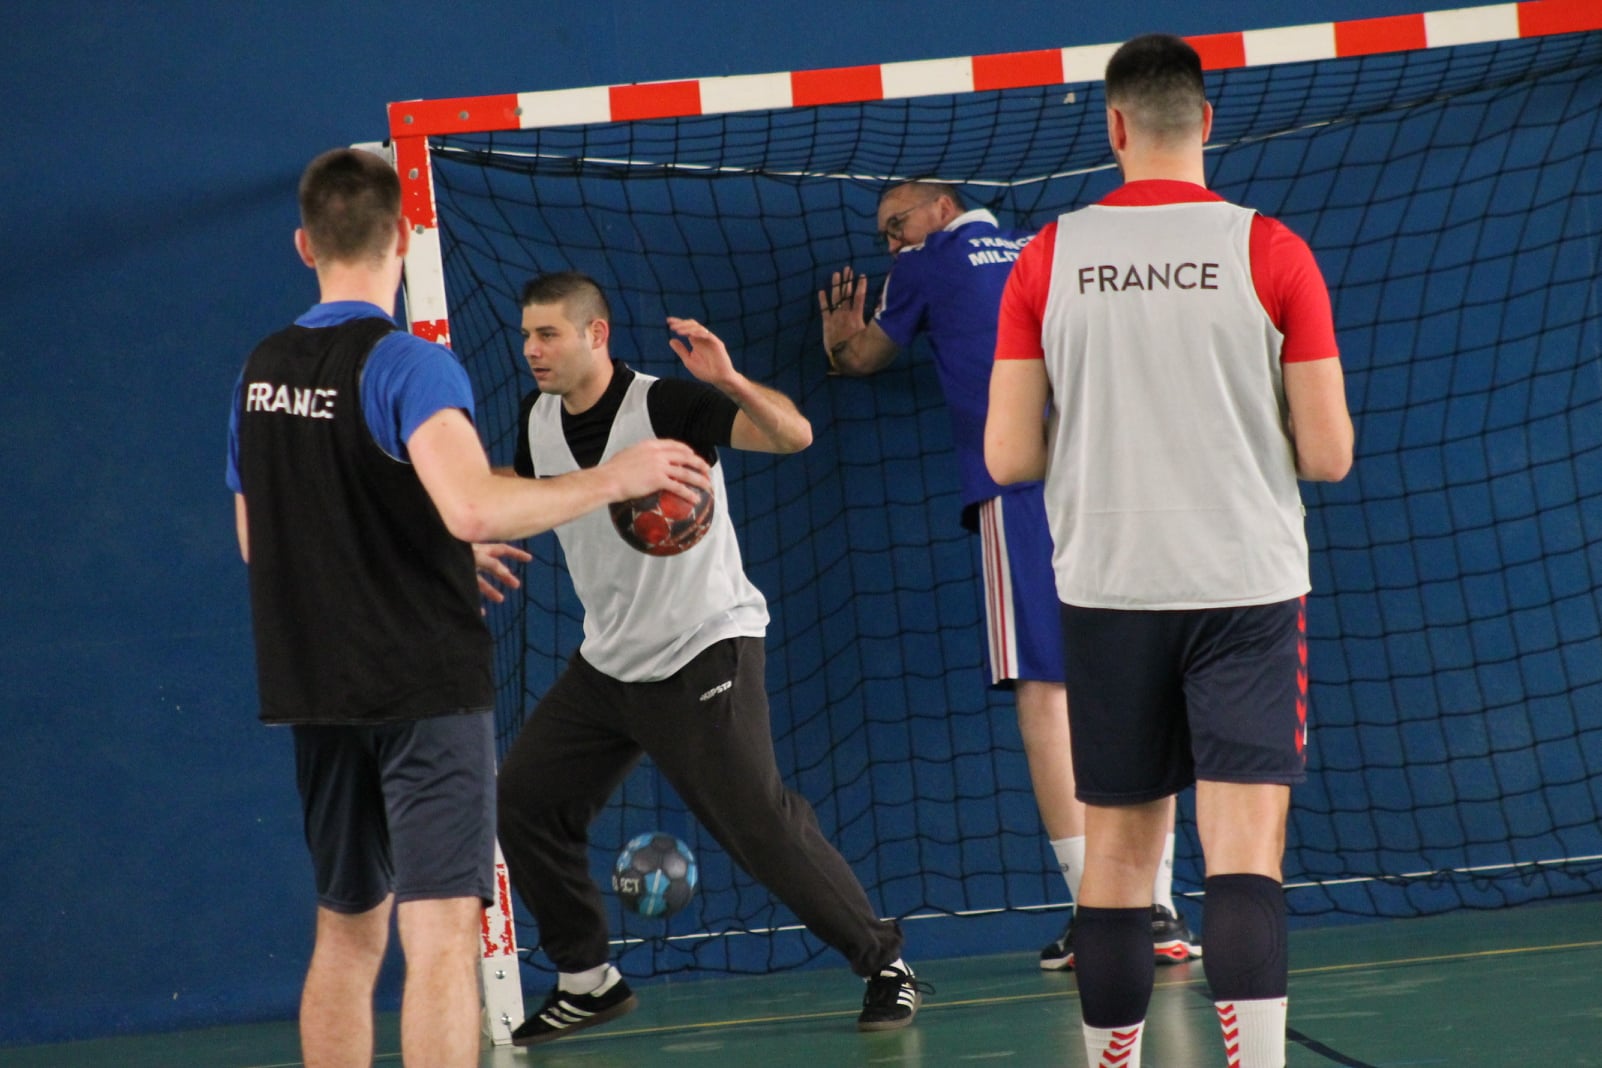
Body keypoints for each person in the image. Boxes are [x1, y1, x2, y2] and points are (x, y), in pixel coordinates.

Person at [227, 148, 710, 1068]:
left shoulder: (260, 370)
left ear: (305, 245)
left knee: (346, 933)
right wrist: (618, 475)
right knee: (441, 934)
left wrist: (428, 540)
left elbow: (266, 540)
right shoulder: (410, 365)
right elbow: (476, 508)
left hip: (316, 690)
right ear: (405, 237)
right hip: (421, 688)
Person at [985, 34, 1353, 1068]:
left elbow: (1008, 455)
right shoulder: (1272, 251)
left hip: (1109, 586)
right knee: (1245, 857)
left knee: (1118, 858)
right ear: (1206, 121)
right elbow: (1328, 454)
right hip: (1244, 583)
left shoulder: (1047, 258)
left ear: (1113, 127)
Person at [495, 271, 927, 1046]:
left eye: (548, 334)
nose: (533, 349)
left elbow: (793, 436)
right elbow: (524, 491)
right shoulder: (538, 417)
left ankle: (884, 963)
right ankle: (587, 981)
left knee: (758, 821)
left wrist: (728, 379)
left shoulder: (664, 406)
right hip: (610, 660)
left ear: (596, 334)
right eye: (527, 335)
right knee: (525, 801)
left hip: (703, 643)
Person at [819, 181, 1199, 971]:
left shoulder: (928, 261)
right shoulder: (1059, 246)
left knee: (1046, 691)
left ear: (941, 209)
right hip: (1124, 478)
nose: (891, 243)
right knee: (1135, 684)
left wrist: (840, 342)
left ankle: (1100, 909)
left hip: (1020, 486)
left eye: (897, 224)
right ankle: (1156, 905)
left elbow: (862, 358)